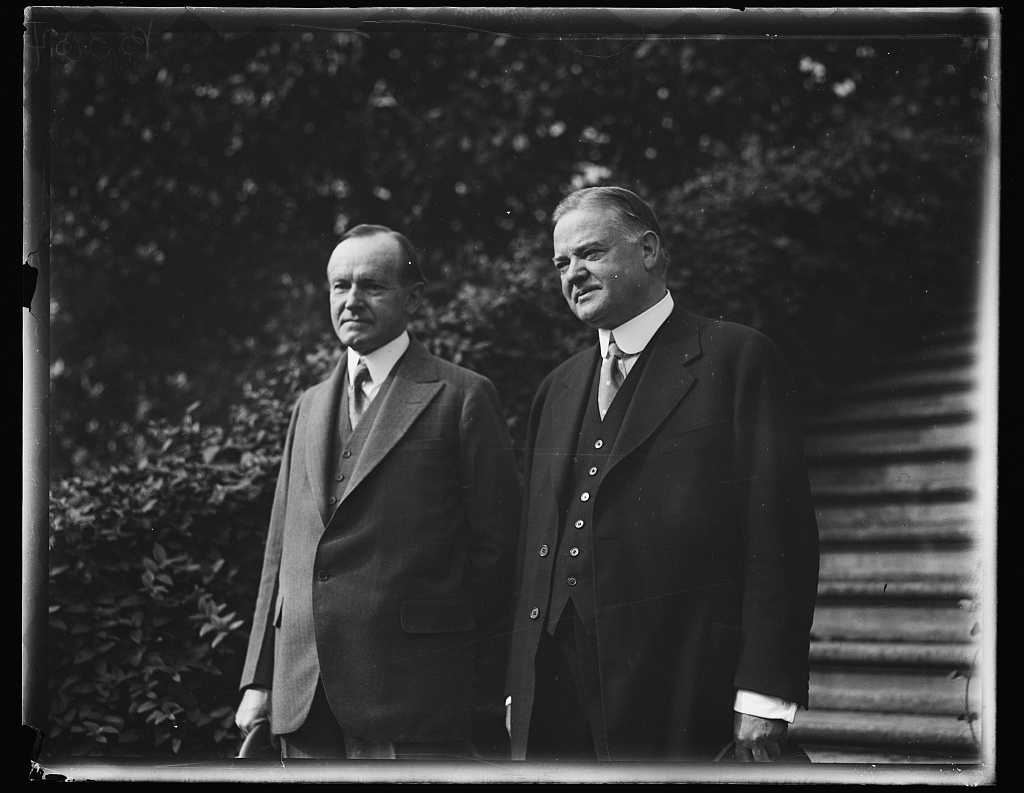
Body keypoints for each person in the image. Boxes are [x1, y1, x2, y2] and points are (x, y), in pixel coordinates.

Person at [505, 187, 820, 762]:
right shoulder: (557, 387)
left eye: (591, 254)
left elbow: (781, 539)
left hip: (679, 686)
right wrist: (518, 681)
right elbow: (536, 548)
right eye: (561, 263)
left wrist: (765, 692)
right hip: (554, 688)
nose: (573, 273)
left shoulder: (735, 357)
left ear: (649, 250)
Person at [235, 224, 520, 760]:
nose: (351, 300)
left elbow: (497, 554)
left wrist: (478, 681)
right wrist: (259, 677)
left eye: (372, 286)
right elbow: (280, 553)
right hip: (304, 693)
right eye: (339, 287)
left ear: (412, 298)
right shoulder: (309, 406)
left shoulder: (462, 396)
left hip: (414, 693)